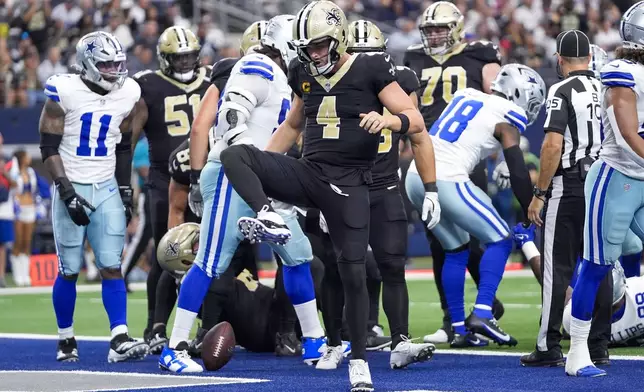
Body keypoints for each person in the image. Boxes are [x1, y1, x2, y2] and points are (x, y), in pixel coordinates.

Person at [219, 2, 430, 390]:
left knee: (351, 269)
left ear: (338, 39)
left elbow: (414, 120)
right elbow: (292, 124)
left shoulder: (371, 68)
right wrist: (266, 166)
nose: (313, 54)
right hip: (309, 172)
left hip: (350, 182)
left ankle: (360, 362)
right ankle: (266, 214)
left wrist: (388, 119)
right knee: (234, 154)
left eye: (319, 46)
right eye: (307, 47)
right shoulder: (302, 70)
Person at [159, 14, 326, 374]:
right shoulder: (257, 63)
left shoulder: (286, 78)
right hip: (232, 175)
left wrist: (276, 171)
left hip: (266, 177)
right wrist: (245, 164)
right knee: (210, 262)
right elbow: (232, 114)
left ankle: (314, 341)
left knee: (299, 255)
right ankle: (174, 348)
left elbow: (283, 133)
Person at [313, 19, 435, 371]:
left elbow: (417, 131)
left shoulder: (399, 80)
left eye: (372, 54)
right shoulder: (328, 78)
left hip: (384, 183)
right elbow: (310, 133)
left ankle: (400, 340)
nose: (366, 60)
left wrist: (432, 188)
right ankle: (335, 342)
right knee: (339, 270)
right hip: (343, 183)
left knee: (392, 266)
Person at [406, 64, 545, 347]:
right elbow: (518, 169)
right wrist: (530, 207)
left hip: (415, 176)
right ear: (520, 94)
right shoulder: (509, 114)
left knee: (456, 250)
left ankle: (458, 328)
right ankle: (483, 313)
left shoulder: (467, 95)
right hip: (446, 178)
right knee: (502, 240)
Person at [39, 31, 148, 362]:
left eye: (118, 63)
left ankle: (119, 337)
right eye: (106, 64)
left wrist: (126, 187)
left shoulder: (128, 91)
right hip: (71, 183)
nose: (115, 71)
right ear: (87, 64)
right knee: (69, 268)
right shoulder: (64, 91)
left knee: (111, 265)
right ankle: (66, 338)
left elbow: (125, 144)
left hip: (106, 185)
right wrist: (67, 191)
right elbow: (47, 148)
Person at [403, 1, 504, 343]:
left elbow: (498, 95)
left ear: (457, 28)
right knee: (440, 241)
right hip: (427, 152)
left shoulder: (480, 53)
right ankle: (455, 318)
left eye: (439, 29)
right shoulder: (414, 58)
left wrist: (499, 153)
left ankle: (483, 307)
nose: (433, 36)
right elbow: (410, 107)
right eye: (429, 30)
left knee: (474, 235)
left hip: (465, 156)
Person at [523, 30, 612, 368]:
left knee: (556, 268)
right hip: (603, 182)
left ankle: (548, 344)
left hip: (570, 184)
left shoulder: (562, 89)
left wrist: (540, 193)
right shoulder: (606, 86)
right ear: (590, 57)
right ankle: (598, 344)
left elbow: (552, 145)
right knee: (597, 264)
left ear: (559, 59)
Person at [566, 1, 644, 377]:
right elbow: (629, 134)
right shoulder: (623, 72)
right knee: (595, 266)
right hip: (617, 177)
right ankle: (577, 352)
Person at [130, 26, 212, 347]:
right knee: (167, 254)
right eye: (178, 58)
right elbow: (131, 135)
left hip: (204, 178)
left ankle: (207, 325)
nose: (184, 64)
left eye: (189, 57)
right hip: (164, 180)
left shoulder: (211, 80)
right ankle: (155, 327)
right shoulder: (147, 85)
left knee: (208, 256)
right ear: (165, 59)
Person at [512, 224, 644, 348]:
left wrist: (527, 244)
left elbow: (556, 284)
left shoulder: (573, 318)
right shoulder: (639, 291)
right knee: (633, 246)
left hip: (585, 327)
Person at [187, 20, 269, 217]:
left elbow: (199, 127)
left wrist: (196, 178)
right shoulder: (289, 77)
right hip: (266, 166)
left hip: (228, 166)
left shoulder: (232, 71)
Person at [122, 136, 152, 290]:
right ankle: (122, 274)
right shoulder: (142, 146)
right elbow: (145, 172)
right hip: (151, 194)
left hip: (170, 193)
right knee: (142, 237)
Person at [10, 150, 37, 287]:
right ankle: (17, 274)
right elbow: (14, 188)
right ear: (21, 158)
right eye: (26, 156)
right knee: (18, 241)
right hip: (18, 209)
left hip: (30, 209)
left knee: (27, 242)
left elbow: (34, 190)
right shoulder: (14, 173)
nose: (29, 158)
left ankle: (25, 274)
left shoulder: (31, 172)